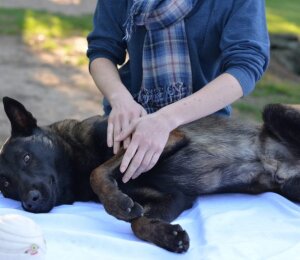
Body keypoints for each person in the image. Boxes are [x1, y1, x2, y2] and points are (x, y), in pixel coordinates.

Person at [87, 0, 270, 183]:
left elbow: (246, 66)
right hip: (129, 127)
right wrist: (121, 100)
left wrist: (165, 120)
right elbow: (102, 51)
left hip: (203, 133)